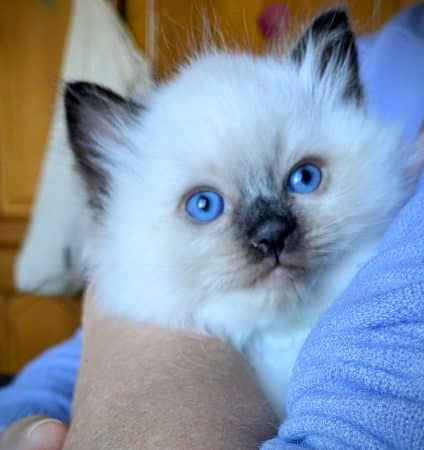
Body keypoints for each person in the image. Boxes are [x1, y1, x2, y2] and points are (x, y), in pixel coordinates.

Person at [0, 4, 423, 449]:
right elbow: (81, 353)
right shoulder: (390, 53)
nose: (271, 233)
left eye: (305, 177)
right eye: (204, 205)